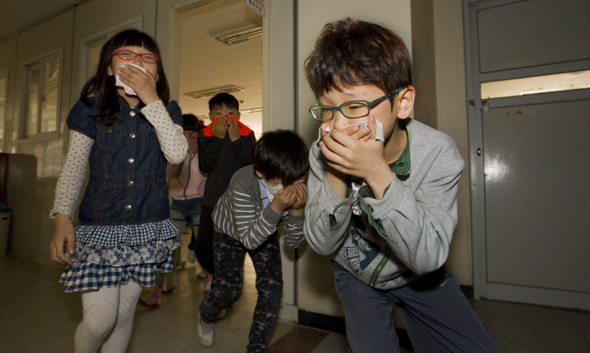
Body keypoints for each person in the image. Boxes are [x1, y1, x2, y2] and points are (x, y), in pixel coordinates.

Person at [303, 18, 499, 353]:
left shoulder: (438, 153)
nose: (338, 125)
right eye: (327, 109)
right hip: (356, 272)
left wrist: (378, 173)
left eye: (353, 106)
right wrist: (336, 171)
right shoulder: (321, 153)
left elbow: (427, 256)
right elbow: (321, 243)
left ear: (403, 102)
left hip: (419, 277)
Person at [49, 29, 187, 353]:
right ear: (109, 68)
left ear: (157, 70)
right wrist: (61, 218)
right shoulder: (90, 110)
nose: (137, 62)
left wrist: (151, 99)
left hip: (147, 229)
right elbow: (72, 169)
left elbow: (178, 154)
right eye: (126, 54)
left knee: (124, 317)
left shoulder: (168, 111)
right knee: (99, 322)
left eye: (147, 57)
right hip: (99, 229)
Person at [197, 130, 309, 352]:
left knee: (272, 289)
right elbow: (248, 239)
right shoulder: (243, 181)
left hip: (264, 231)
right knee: (229, 291)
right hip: (229, 231)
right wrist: (276, 207)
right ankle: (206, 313)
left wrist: (298, 211)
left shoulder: (300, 184)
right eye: (282, 183)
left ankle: (256, 348)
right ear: (260, 172)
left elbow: (294, 243)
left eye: (298, 181)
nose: (292, 188)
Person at [138, 113, 207, 307]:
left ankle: (212, 279)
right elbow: (168, 175)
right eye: (184, 131)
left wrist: (199, 152)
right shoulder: (171, 151)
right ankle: (156, 293)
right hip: (177, 203)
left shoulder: (204, 150)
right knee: (166, 248)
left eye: (192, 131)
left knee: (203, 245)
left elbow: (208, 172)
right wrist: (180, 155)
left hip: (198, 202)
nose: (188, 135)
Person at [196, 92, 257, 293]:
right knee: (204, 246)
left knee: (234, 249)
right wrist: (218, 138)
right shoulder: (205, 135)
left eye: (230, 112)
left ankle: (227, 287)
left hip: (239, 203)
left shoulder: (247, 135)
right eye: (219, 113)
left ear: (238, 116)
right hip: (212, 200)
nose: (225, 117)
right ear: (211, 116)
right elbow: (204, 165)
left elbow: (253, 166)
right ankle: (218, 275)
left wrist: (237, 140)